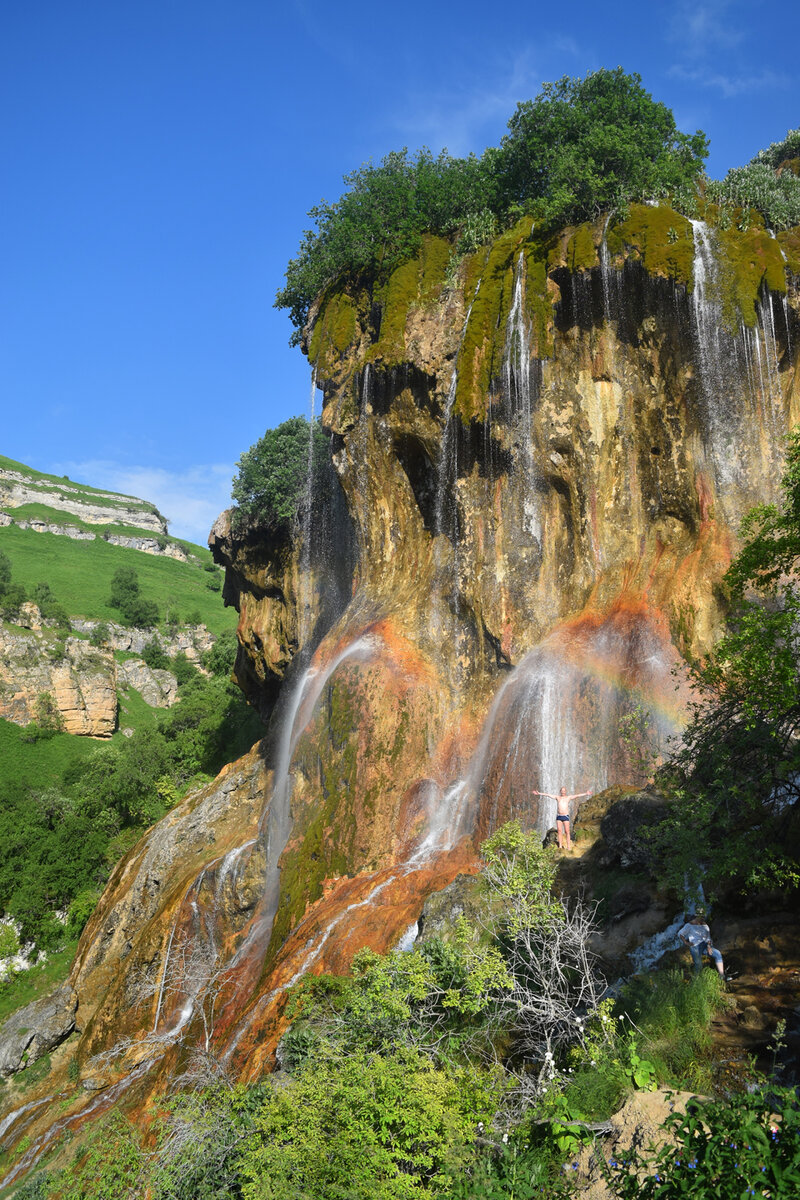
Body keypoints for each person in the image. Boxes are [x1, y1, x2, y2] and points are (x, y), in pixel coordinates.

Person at [533, 785, 592, 850]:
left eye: (564, 791)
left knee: (567, 831)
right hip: (559, 816)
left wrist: (586, 793)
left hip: (565, 816)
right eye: (562, 791)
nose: (563, 792)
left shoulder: (568, 798)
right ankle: (560, 846)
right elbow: (548, 795)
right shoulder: (558, 797)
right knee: (559, 831)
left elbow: (577, 795)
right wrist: (539, 793)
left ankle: (568, 847)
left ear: (565, 792)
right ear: (560, 791)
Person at [678, 913, 725, 978]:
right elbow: (680, 933)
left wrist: (709, 946)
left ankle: (722, 976)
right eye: (701, 917)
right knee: (698, 965)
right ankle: (695, 982)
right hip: (695, 947)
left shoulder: (705, 925)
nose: (702, 918)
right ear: (696, 917)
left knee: (718, 954)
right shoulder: (689, 925)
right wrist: (686, 942)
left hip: (704, 945)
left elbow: (708, 938)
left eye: (703, 917)